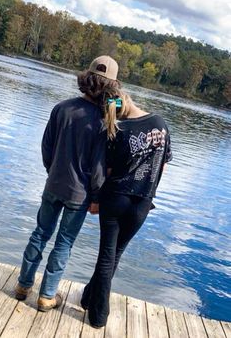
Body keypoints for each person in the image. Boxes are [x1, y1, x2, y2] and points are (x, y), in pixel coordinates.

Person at [15, 55, 121, 312]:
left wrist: (53, 172)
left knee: (40, 233)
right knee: (64, 243)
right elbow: (98, 168)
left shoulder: (61, 107)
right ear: (112, 87)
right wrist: (96, 197)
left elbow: (46, 147)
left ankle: (22, 285)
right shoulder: (103, 120)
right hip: (79, 194)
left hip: (53, 185)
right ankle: (47, 296)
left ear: (86, 78)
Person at [81, 92, 173, 328]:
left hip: (115, 199)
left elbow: (107, 172)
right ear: (128, 98)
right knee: (116, 254)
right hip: (141, 203)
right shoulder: (160, 124)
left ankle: (98, 316)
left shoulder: (116, 131)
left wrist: (95, 199)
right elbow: (162, 165)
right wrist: (148, 191)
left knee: (106, 256)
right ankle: (89, 298)